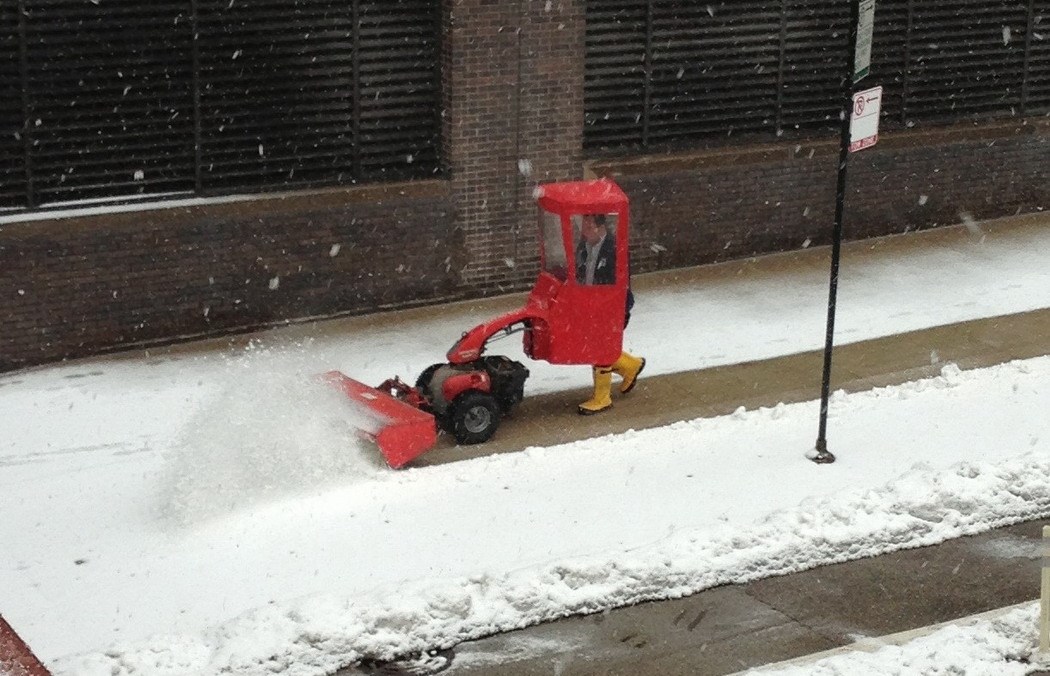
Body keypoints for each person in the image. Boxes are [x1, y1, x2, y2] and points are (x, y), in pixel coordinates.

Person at [575, 213, 646, 415]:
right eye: (583, 227)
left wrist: (614, 310)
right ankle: (631, 364)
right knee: (594, 347)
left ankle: (602, 398)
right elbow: (580, 274)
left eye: (588, 227)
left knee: (600, 351)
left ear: (600, 227)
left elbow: (620, 285)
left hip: (611, 308)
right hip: (590, 307)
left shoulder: (615, 249)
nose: (584, 232)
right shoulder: (584, 246)